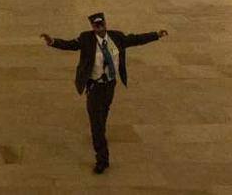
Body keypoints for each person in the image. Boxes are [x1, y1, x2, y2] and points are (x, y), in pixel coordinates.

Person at [41, 13, 168, 174]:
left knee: (104, 112)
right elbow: (71, 45)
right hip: (95, 86)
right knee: (97, 124)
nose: (99, 28)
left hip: (110, 85)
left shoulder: (116, 37)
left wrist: (156, 35)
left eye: (101, 24)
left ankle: (100, 134)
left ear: (105, 24)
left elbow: (135, 40)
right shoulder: (86, 39)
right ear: (92, 27)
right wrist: (53, 42)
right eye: (96, 26)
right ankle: (102, 158)